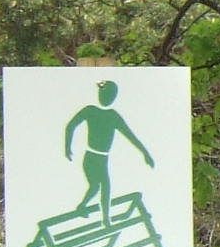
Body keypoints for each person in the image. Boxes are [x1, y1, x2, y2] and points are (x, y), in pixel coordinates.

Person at [63, 80, 156, 217]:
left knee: (99, 187)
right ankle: (101, 217)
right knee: (101, 187)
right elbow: (71, 126)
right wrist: (67, 147)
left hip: (102, 158)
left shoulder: (113, 116)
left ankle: (86, 209)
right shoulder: (91, 111)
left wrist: (146, 154)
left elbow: (131, 136)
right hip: (91, 157)